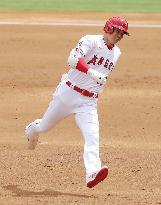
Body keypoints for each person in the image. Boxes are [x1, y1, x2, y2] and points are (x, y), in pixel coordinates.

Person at [25, 16, 129, 188]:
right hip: (68, 93)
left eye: (122, 33)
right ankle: (31, 129)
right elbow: (73, 60)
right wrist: (92, 73)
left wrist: (97, 91)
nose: (119, 35)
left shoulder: (117, 53)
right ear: (108, 28)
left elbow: (103, 77)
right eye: (117, 31)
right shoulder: (90, 40)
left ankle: (92, 173)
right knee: (44, 126)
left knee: (92, 136)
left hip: (88, 102)